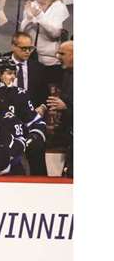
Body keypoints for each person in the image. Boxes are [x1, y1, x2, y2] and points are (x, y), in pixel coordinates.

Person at [0, 57, 47, 175]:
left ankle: (40, 183)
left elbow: (36, 122)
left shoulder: (20, 94)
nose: (14, 77)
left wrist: (34, 136)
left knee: (37, 145)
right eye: (9, 73)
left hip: (17, 140)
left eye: (15, 73)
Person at [19, 0, 69, 86]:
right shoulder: (32, 5)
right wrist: (29, 18)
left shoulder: (59, 7)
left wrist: (40, 16)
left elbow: (55, 34)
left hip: (51, 63)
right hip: (31, 59)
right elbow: (22, 32)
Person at [2, 31, 48, 116]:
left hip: (31, 114)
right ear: (13, 47)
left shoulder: (39, 68)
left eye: (30, 48)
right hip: (5, 114)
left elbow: (45, 95)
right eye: (24, 48)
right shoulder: (0, 65)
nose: (28, 52)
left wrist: (42, 107)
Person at [47, 40, 72, 177]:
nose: (58, 56)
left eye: (62, 53)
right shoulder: (67, 73)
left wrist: (65, 107)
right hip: (67, 131)